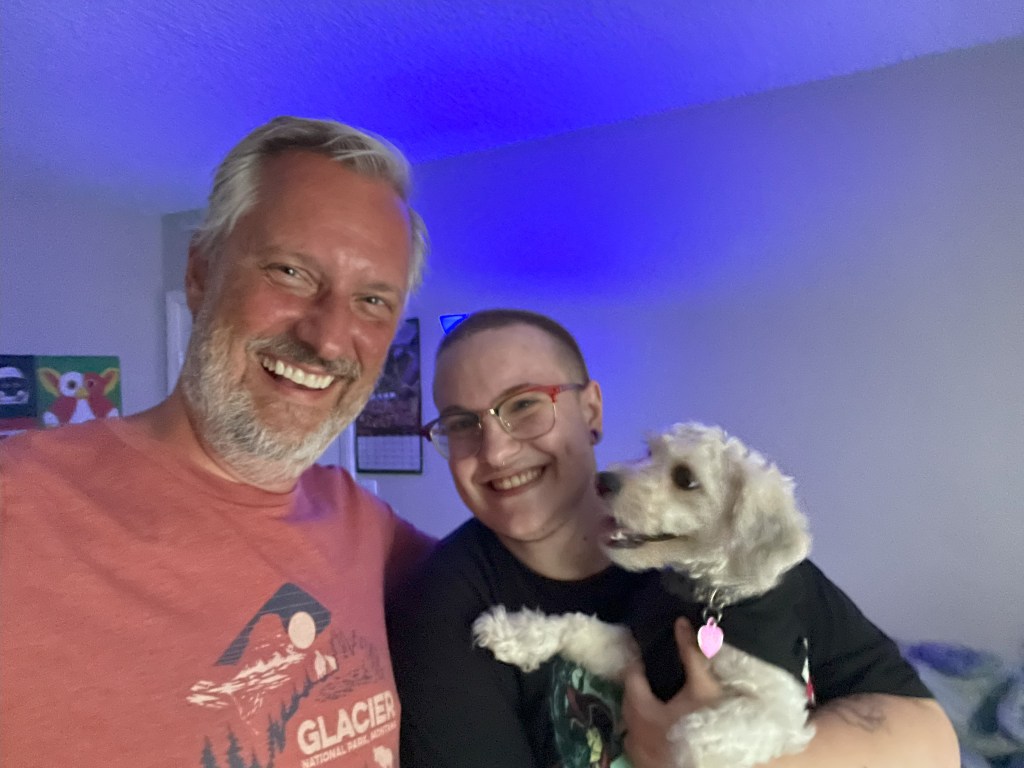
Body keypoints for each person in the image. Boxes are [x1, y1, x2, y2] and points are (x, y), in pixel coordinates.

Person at [0, 116, 434, 768]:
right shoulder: (20, 511)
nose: (326, 338)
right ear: (200, 273)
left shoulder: (369, 530)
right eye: (291, 271)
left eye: (373, 301)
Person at [387, 308, 959, 768]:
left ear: (592, 410)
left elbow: (933, 743)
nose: (496, 451)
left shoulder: (736, 568)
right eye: (461, 423)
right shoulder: (442, 607)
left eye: (525, 405)